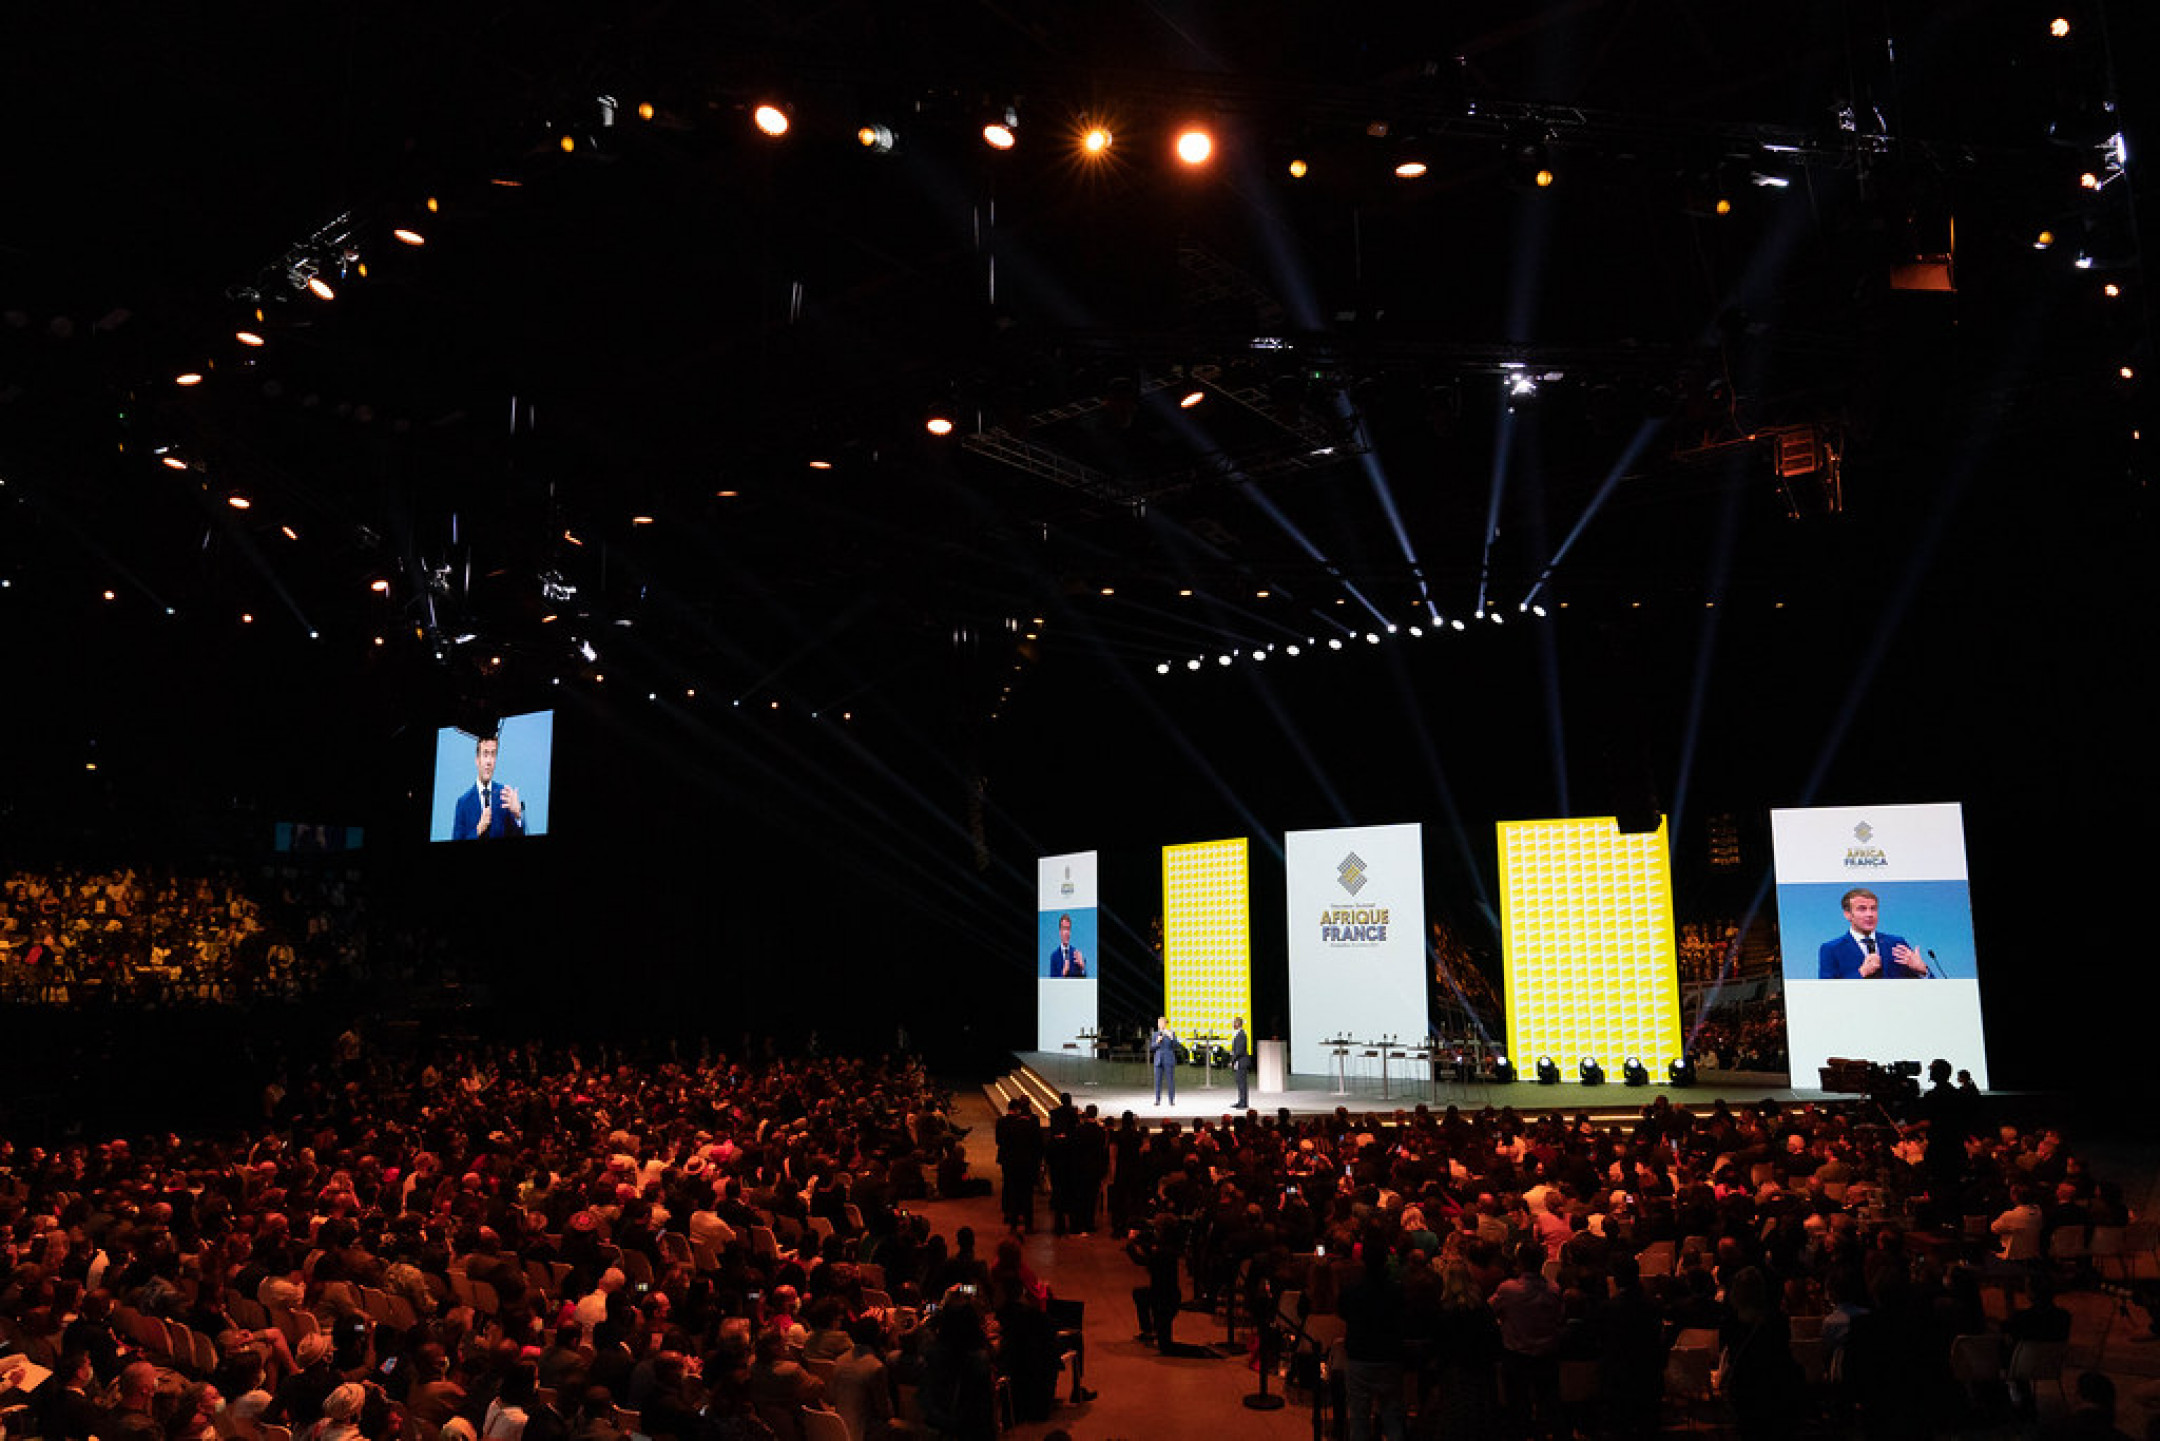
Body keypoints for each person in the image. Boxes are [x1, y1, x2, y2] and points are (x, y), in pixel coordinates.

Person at [1815, 888, 1925, 979]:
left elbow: (1929, 989)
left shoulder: (1896, 943)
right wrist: (1861, 973)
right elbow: (1827, 992)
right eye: (1862, 909)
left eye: (1873, 909)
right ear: (1848, 914)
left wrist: (1923, 970)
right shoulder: (1831, 949)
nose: (1870, 914)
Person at [452, 734, 525, 840]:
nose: (489, 761)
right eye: (485, 754)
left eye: (493, 755)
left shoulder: (505, 797)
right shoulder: (463, 803)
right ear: (477, 760)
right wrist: (479, 829)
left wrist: (518, 816)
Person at [1149, 1017, 1179, 1105]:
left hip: (1168, 1059)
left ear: (1165, 1024)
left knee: (1170, 1081)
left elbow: (1176, 1045)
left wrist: (1171, 1037)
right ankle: (1157, 1100)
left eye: (1161, 1022)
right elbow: (1152, 1047)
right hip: (1158, 1060)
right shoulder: (1155, 1034)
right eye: (1159, 1023)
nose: (1160, 1024)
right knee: (1157, 1081)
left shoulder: (1171, 1033)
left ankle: (1171, 1100)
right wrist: (1157, 1042)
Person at [1229, 1017, 1251, 1108]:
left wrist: (1232, 1060)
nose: (1233, 1024)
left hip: (1242, 1061)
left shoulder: (1241, 1035)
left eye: (1234, 1023)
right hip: (1239, 1062)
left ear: (1238, 1024)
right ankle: (1241, 1101)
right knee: (1239, 1082)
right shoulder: (1238, 1034)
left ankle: (1243, 1102)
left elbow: (1239, 1051)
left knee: (1242, 1083)